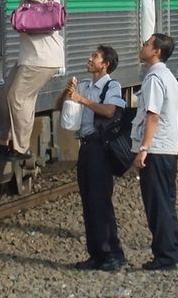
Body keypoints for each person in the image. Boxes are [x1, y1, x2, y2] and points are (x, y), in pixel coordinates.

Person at [0, 0, 64, 159]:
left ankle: (21, 147)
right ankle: (1, 140)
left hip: (41, 59)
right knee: (7, 92)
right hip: (33, 58)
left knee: (18, 98)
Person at [55, 45, 126, 272]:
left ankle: (112, 253)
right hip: (85, 147)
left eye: (94, 56)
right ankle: (96, 253)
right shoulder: (83, 85)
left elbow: (109, 111)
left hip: (101, 148)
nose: (89, 58)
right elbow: (60, 107)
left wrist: (82, 100)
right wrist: (67, 94)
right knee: (88, 201)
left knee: (100, 201)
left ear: (104, 64)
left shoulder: (111, 85)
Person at [131, 33, 178, 271]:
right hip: (167, 148)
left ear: (156, 52)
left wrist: (143, 148)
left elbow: (152, 115)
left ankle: (165, 256)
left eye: (147, 44)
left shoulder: (154, 78)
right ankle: (173, 251)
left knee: (157, 203)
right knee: (167, 201)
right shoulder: (168, 76)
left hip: (156, 149)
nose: (142, 46)